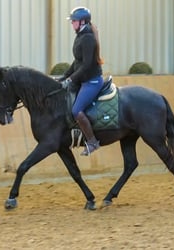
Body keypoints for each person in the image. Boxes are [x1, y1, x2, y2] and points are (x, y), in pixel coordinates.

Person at [59, 6, 104, 156]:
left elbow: (86, 65)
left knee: (76, 111)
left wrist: (71, 79)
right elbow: (77, 62)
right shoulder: (80, 35)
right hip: (83, 79)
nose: (72, 24)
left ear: (82, 21)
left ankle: (92, 142)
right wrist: (64, 77)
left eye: (74, 21)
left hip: (91, 81)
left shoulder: (88, 38)